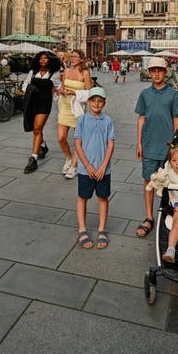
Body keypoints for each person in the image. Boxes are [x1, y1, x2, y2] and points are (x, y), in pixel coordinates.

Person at [134, 56, 178, 238]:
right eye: (153, 70)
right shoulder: (145, 94)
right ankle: (149, 216)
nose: (156, 73)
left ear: (165, 72)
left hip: (168, 146)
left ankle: (166, 215)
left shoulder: (173, 94)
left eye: (159, 70)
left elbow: (176, 119)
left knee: (169, 182)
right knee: (148, 181)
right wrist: (139, 143)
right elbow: (141, 119)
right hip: (148, 144)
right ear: (149, 72)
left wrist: (176, 144)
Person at [74, 86, 115, 250]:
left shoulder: (108, 121)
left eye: (100, 101)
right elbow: (77, 144)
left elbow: (110, 145)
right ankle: (82, 228)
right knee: (82, 197)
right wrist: (88, 166)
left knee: (103, 197)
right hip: (86, 169)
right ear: (88, 102)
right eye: (93, 101)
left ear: (104, 103)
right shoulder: (82, 120)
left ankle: (102, 228)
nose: (96, 104)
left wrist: (103, 166)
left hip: (103, 169)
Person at [22, 51, 62, 172]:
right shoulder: (33, 72)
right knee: (36, 129)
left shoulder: (54, 73)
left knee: (38, 127)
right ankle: (43, 145)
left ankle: (33, 159)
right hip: (32, 102)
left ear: (50, 60)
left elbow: (59, 87)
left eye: (45, 58)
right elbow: (26, 83)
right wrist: (26, 91)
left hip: (44, 103)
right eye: (41, 58)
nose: (43, 60)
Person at [57, 49, 93, 179]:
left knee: (78, 139)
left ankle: (74, 165)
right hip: (64, 107)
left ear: (81, 59)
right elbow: (62, 86)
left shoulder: (85, 73)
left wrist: (75, 93)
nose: (72, 59)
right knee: (61, 137)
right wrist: (61, 90)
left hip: (77, 109)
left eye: (75, 57)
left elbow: (90, 93)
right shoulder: (66, 71)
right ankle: (68, 158)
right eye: (71, 56)